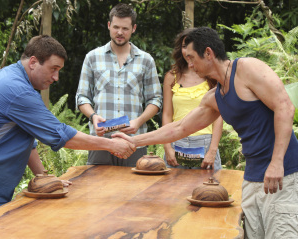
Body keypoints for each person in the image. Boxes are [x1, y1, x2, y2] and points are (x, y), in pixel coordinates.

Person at [113, 27, 298, 238]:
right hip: (252, 177)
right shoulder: (215, 97)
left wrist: (277, 162)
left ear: (208, 53)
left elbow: (285, 107)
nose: (189, 65)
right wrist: (133, 140)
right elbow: (179, 128)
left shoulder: (246, 68)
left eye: (191, 58)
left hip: (283, 174)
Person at [0, 35, 135, 230]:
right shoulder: (16, 90)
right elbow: (61, 134)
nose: (56, 78)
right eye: (53, 69)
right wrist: (111, 144)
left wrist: (44, 178)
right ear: (33, 62)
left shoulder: (14, 79)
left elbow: (27, 141)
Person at [75, 3, 162, 167]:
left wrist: (139, 121)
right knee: (97, 190)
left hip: (134, 142)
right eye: (116, 27)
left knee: (135, 190)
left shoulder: (146, 60)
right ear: (109, 25)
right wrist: (93, 117)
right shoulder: (92, 57)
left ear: (133, 28)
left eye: (125, 28)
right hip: (100, 142)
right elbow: (82, 97)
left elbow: (155, 99)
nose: (120, 32)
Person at [162, 28, 223, 170]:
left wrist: (213, 150)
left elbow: (218, 116)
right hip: (176, 141)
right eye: (184, 47)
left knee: (207, 191)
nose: (187, 51)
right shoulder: (172, 76)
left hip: (205, 143)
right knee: (173, 190)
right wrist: (167, 147)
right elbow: (167, 114)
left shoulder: (212, 76)